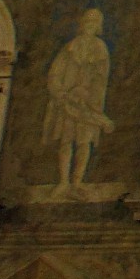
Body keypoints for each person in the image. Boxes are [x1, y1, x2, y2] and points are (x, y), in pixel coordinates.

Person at [44, 10, 114, 193]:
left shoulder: (100, 49)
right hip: (67, 103)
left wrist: (86, 93)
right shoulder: (70, 48)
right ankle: (64, 182)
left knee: (84, 143)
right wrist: (61, 93)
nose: (90, 25)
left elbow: (101, 78)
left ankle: (77, 182)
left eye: (94, 22)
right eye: (88, 21)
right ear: (82, 24)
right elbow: (55, 73)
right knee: (66, 142)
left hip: (88, 105)